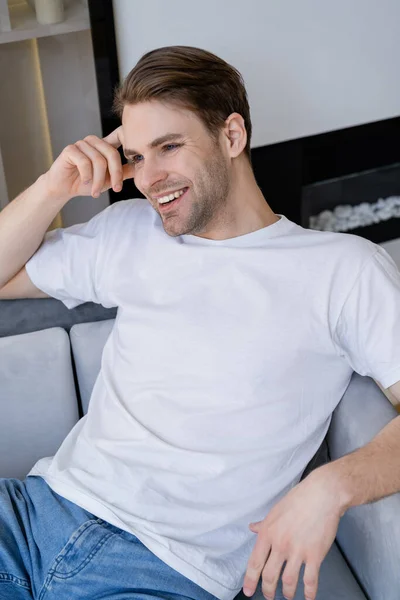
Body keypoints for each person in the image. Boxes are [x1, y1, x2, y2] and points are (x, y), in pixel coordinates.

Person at [0, 45, 400, 600]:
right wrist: (53, 186)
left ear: (232, 136)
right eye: (137, 156)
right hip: (28, 517)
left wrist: (331, 485)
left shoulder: (343, 269)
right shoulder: (128, 231)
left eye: (169, 147)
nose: (149, 178)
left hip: (162, 572)